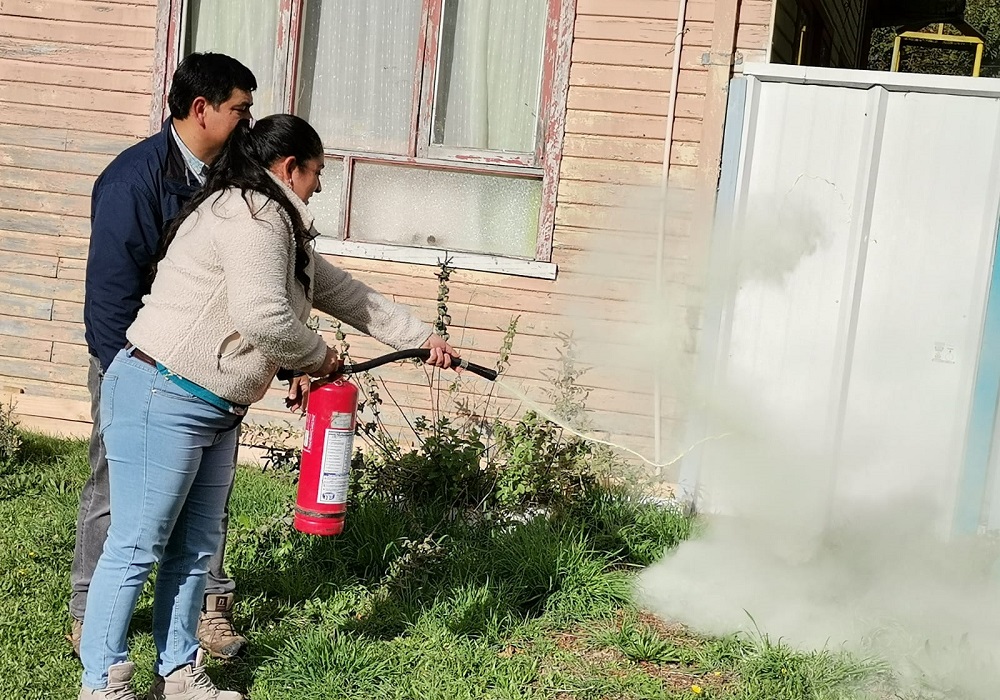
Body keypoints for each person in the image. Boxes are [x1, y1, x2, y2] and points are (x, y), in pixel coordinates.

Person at [78, 114, 458, 699]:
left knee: (195, 548)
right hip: (164, 391)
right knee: (137, 542)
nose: (321, 185)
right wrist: (317, 356)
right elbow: (262, 316)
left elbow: (344, 292)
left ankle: (179, 677)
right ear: (289, 168)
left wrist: (419, 337)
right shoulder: (250, 217)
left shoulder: (278, 222)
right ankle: (102, 681)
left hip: (214, 404)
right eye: (318, 172)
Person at [75, 52, 257, 661]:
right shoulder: (134, 180)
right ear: (201, 110)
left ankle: (210, 607)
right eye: (240, 108)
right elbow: (108, 296)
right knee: (114, 488)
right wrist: (126, 377)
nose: (248, 120)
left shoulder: (235, 178)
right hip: (134, 364)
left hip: (209, 373)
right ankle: (88, 613)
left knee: (207, 498)